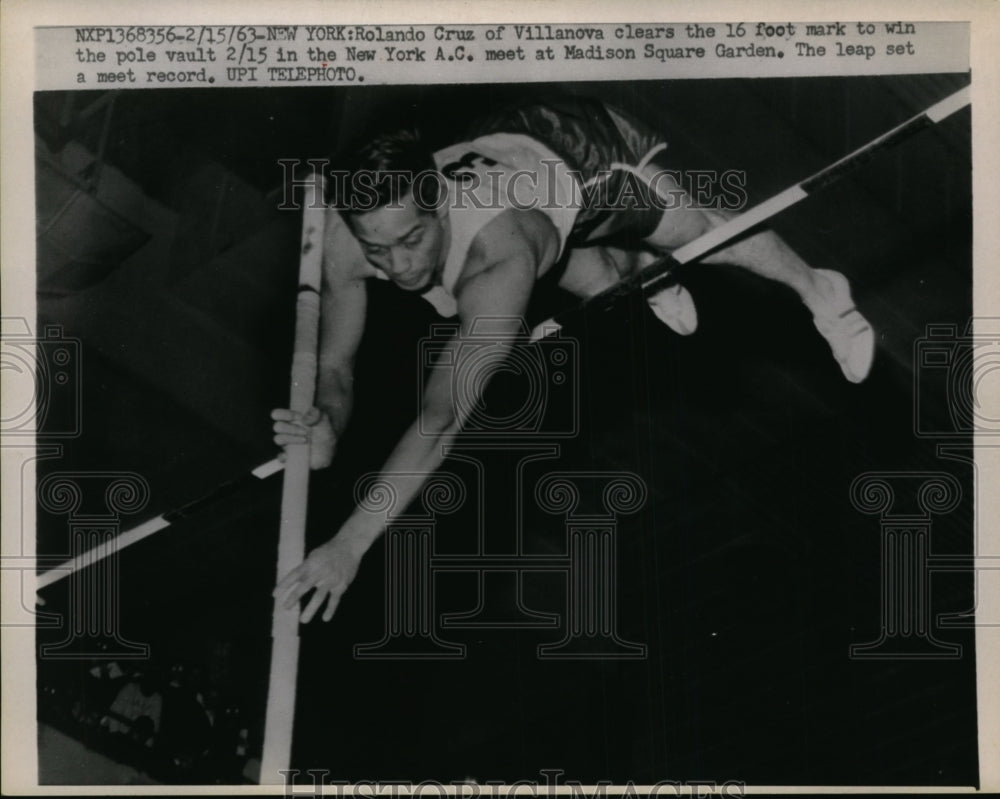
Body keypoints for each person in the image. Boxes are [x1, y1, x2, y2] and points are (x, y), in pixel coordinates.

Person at [272, 96, 874, 623]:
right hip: (506, 159)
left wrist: (351, 543)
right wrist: (328, 420)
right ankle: (642, 274)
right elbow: (335, 367)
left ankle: (818, 288)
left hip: (578, 161)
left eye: (410, 242)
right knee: (605, 286)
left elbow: (442, 420)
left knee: (702, 236)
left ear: (437, 204)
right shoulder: (351, 234)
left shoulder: (497, 263)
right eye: (380, 251)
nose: (398, 268)